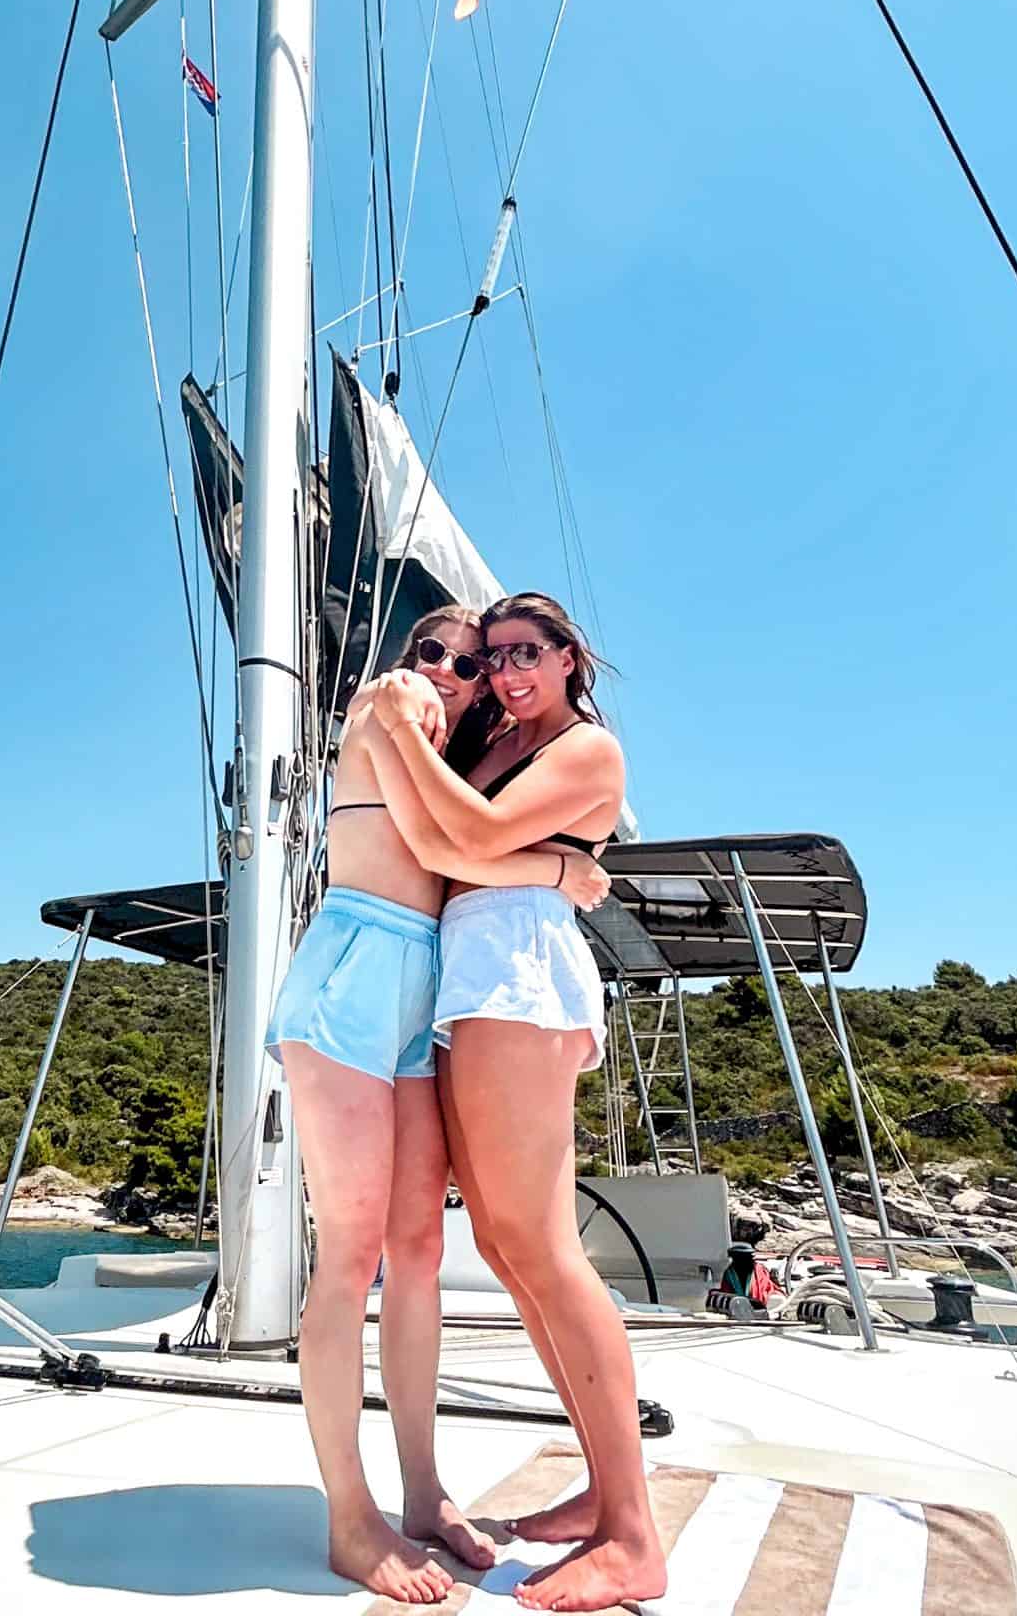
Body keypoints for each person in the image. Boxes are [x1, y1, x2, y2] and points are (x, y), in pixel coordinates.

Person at [266, 604, 612, 1607]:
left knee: (418, 1251)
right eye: (436, 652)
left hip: (426, 986)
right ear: (403, 657)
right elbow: (437, 839)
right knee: (351, 1252)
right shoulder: (395, 700)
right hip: (353, 970)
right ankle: (347, 1515)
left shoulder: (456, 745)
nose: (453, 672)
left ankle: (422, 1494)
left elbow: (454, 836)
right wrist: (560, 865)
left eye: (473, 662)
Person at [364, 592, 667, 1616]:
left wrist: (397, 733)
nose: (502, 671)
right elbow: (439, 842)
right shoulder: (499, 737)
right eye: (492, 657)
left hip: (518, 981)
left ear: (570, 655)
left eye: (524, 652)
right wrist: (541, 858)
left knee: (540, 1246)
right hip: (474, 976)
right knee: (502, 1245)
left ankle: (631, 1534)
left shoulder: (587, 751)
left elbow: (459, 840)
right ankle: (600, 1488)